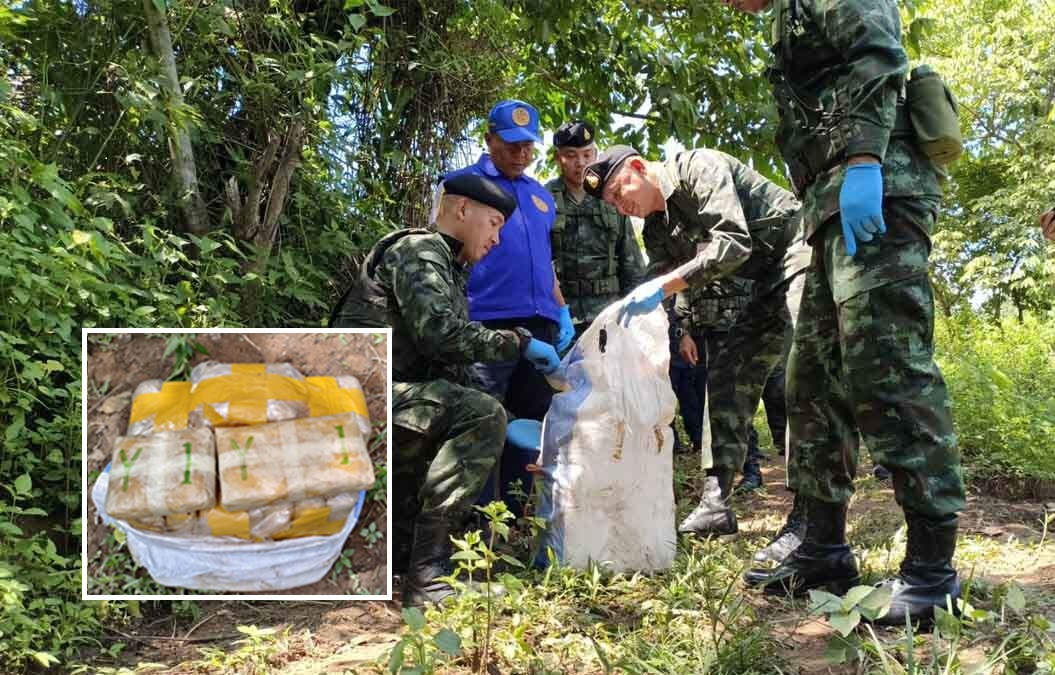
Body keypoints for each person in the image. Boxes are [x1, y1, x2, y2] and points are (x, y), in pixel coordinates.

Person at [723, 0, 966, 625]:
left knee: (888, 370)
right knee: (813, 382)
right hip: (828, 204)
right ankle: (822, 545)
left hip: (880, 187)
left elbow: (879, 52)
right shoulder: (784, 12)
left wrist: (863, 160)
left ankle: (933, 571)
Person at [329, 174, 561, 606]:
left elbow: (451, 369)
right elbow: (440, 334)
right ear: (461, 211)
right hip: (359, 402)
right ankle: (426, 578)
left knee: (483, 411)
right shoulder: (418, 251)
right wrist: (521, 342)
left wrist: (507, 421)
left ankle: (407, 557)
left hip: (383, 400)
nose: (496, 239)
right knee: (479, 414)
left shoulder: (448, 269)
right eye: (493, 224)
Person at [583, 145, 809, 544]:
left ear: (638, 168)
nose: (622, 208)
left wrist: (663, 286)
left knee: (803, 374)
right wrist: (622, 317)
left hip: (799, 252)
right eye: (613, 204)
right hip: (762, 282)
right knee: (726, 377)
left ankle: (811, 510)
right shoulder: (656, 228)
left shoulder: (696, 168)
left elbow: (733, 243)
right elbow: (657, 279)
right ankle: (716, 502)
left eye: (620, 193)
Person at [444, 100, 573, 516]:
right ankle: (476, 521)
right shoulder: (464, 185)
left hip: (543, 326)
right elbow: (447, 253)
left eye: (528, 147)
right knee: (484, 420)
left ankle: (515, 516)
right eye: (511, 145)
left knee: (532, 425)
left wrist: (562, 309)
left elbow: (546, 262)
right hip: (489, 324)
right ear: (489, 140)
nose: (521, 155)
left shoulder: (540, 197)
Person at [546, 120, 646, 337]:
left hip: (609, 315)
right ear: (558, 157)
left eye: (587, 154)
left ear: (595, 154)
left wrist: (635, 316)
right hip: (561, 317)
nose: (580, 163)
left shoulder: (611, 196)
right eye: (571, 155)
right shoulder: (543, 199)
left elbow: (632, 263)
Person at [675, 279, 769, 492]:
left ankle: (751, 469)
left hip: (739, 323)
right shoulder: (691, 247)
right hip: (704, 327)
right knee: (716, 405)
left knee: (737, 399)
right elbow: (687, 278)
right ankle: (722, 478)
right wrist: (684, 331)